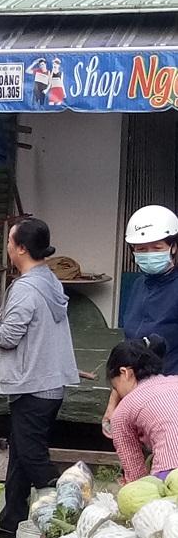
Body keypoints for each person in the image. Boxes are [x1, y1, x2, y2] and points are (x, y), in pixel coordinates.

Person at [0, 218, 79, 538]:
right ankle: (12, 518)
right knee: (19, 452)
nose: (6, 247)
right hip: (48, 383)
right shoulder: (50, 281)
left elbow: (9, 337)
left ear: (20, 248)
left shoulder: (26, 288)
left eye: (8, 241)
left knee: (31, 456)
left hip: (33, 385)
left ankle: (69, 510)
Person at [104, 206, 178, 436]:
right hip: (138, 399)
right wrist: (113, 405)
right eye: (141, 249)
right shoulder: (138, 286)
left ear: (173, 247)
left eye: (157, 248)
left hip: (171, 400)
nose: (149, 254)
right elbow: (130, 352)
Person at [107, 336, 178, 483]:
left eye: (116, 387)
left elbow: (135, 474)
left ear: (124, 372)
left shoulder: (123, 411)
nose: (119, 393)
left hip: (171, 467)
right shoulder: (174, 381)